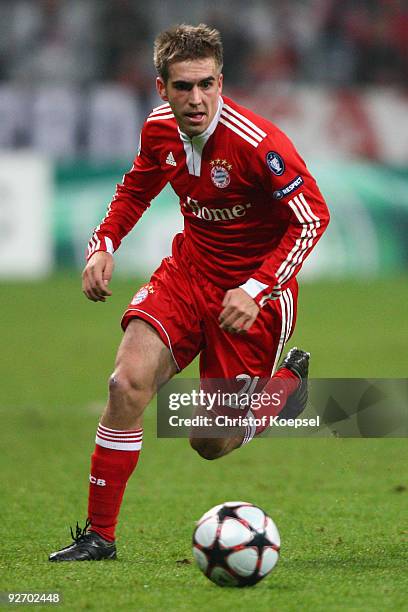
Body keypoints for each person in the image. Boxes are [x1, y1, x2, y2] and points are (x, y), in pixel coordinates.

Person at [49, 23, 329, 562]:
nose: (196, 99)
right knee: (125, 383)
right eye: (183, 87)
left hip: (251, 301)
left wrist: (256, 288)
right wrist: (103, 243)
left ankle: (284, 390)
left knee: (208, 442)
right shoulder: (158, 130)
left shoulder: (259, 144)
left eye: (206, 84)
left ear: (221, 81)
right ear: (162, 89)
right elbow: (136, 186)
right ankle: (99, 537)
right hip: (187, 273)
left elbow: (313, 217)